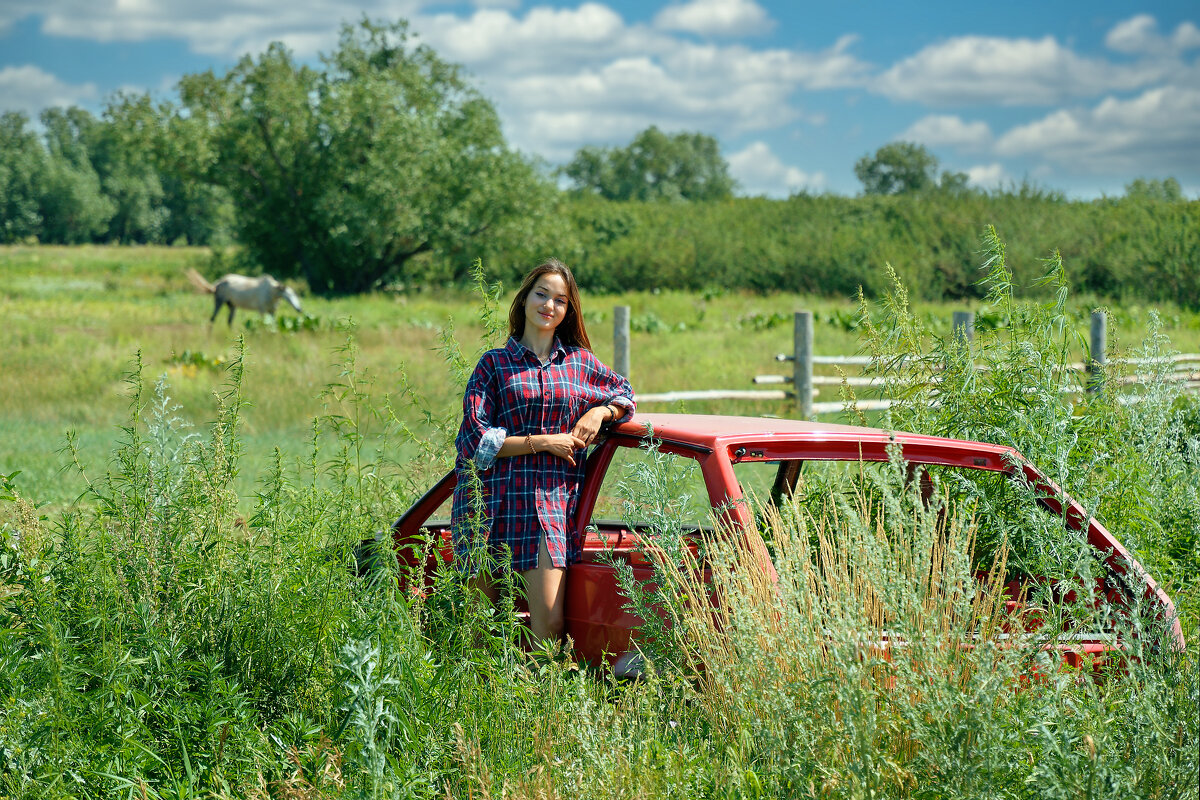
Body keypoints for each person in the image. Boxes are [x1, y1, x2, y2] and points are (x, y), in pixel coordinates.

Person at [451, 258, 635, 643]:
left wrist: (601, 411)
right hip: (488, 503)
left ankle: (542, 700)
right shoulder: (494, 365)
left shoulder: (580, 364)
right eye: (542, 294)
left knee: (549, 627)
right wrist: (543, 442)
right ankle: (483, 702)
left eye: (561, 300)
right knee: (481, 629)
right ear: (524, 300)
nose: (549, 305)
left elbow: (626, 395)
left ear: (568, 311)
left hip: (549, 504)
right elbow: (474, 440)